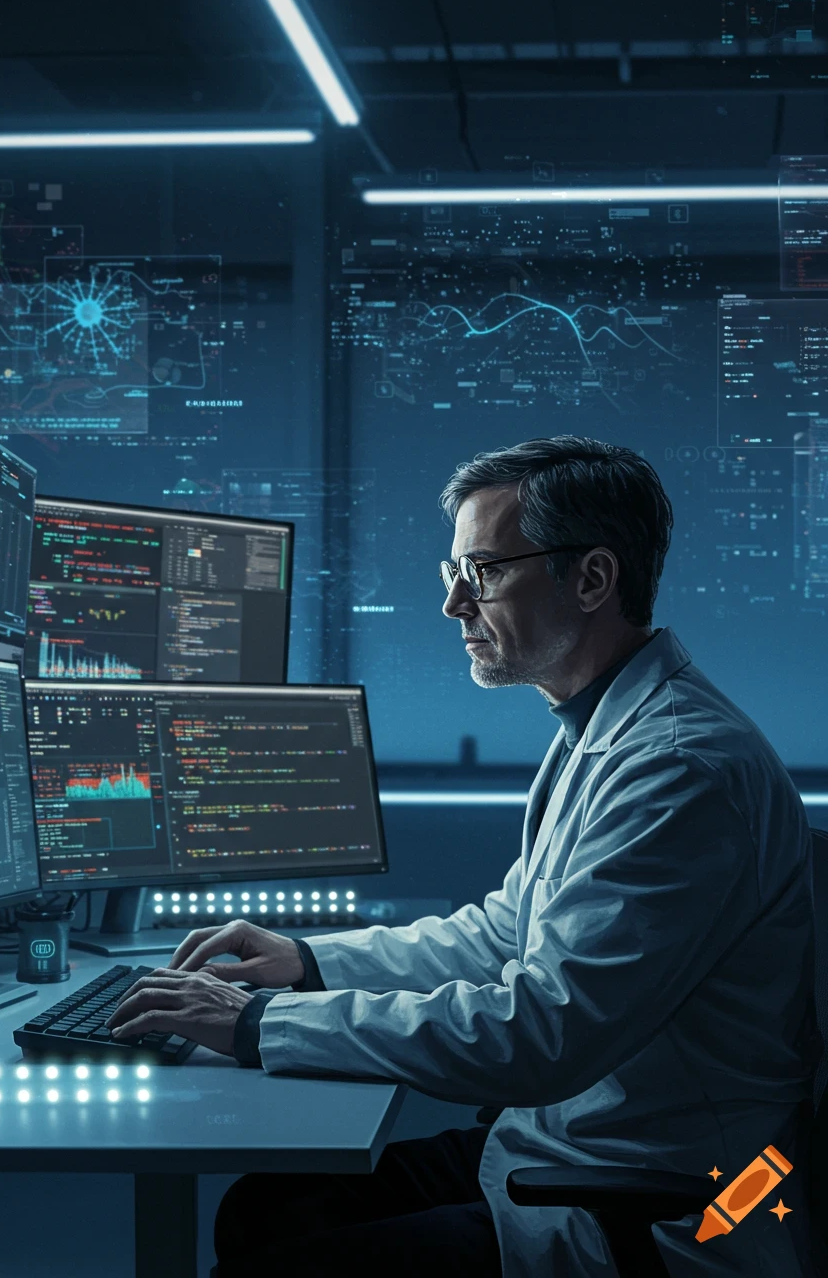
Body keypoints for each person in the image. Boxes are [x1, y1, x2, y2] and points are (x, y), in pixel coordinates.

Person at [107, 436, 821, 1278]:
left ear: (592, 580)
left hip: (659, 1200)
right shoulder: (605, 732)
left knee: (279, 1255)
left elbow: (541, 1032)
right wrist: (305, 963)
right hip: (570, 1147)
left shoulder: (679, 769)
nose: (453, 604)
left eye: (481, 572)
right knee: (270, 1206)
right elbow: (504, 936)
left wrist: (258, 1023)